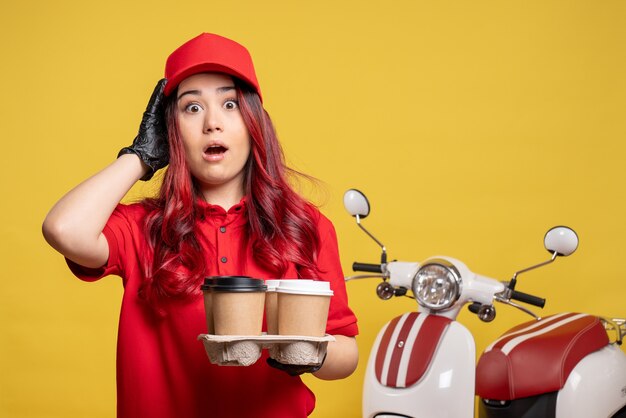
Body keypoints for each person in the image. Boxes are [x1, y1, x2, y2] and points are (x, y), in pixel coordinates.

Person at [42, 33, 359, 418]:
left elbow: (347, 352)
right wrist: (140, 156)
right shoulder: (143, 229)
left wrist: (306, 352)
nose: (212, 123)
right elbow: (63, 229)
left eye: (229, 104)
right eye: (191, 108)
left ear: (253, 121)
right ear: (168, 130)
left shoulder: (304, 225)